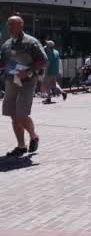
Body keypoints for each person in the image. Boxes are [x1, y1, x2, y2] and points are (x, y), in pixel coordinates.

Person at [0, 16, 48, 157]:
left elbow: (43, 60)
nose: (10, 27)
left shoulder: (31, 42)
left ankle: (34, 136)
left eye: (13, 24)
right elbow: (3, 63)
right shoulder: (6, 45)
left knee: (21, 114)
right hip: (11, 81)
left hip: (27, 81)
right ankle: (21, 146)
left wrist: (28, 71)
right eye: (9, 24)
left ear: (21, 25)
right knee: (14, 116)